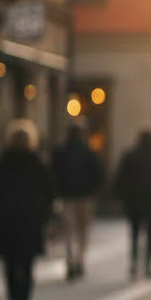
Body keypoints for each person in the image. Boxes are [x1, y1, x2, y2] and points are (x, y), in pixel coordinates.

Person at [0, 120, 55, 300]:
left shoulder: (2, 163)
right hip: (30, 221)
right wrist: (44, 213)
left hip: (7, 221)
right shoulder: (37, 163)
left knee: (10, 265)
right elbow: (50, 191)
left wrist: (1, 204)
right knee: (27, 265)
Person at [50, 119, 104, 280]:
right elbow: (98, 173)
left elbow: (53, 174)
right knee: (83, 231)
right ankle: (80, 260)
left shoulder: (60, 152)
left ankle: (70, 259)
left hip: (66, 197)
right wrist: (94, 190)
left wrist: (56, 192)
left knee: (69, 231)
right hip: (85, 197)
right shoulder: (88, 151)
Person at [113, 127, 151, 280]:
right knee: (150, 233)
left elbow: (120, 178)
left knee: (135, 234)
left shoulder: (130, 155)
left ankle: (134, 263)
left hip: (134, 200)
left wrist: (118, 197)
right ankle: (148, 265)